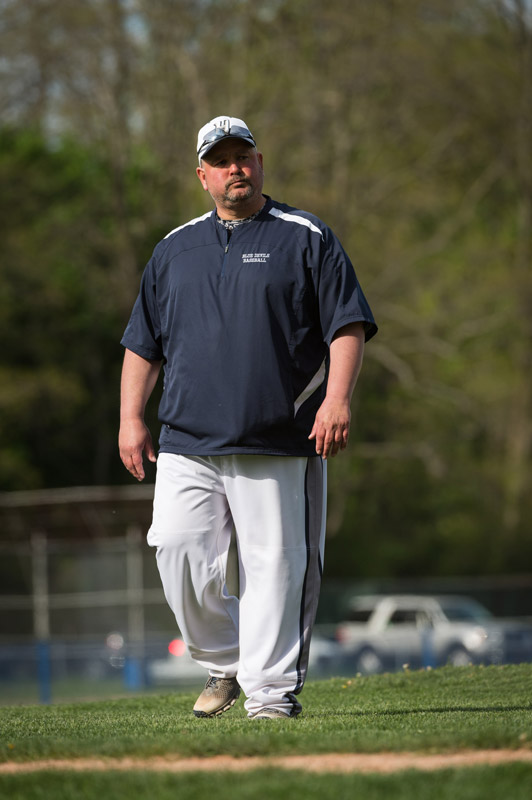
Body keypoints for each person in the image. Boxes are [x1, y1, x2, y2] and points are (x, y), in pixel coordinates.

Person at [119, 115, 377, 720]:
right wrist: (131, 417)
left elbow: (349, 324)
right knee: (177, 551)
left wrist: (337, 399)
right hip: (186, 439)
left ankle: (270, 695)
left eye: (246, 156)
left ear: (260, 164)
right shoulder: (173, 249)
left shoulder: (305, 235)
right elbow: (142, 342)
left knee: (277, 565)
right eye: (223, 159)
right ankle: (227, 661)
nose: (236, 167)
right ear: (203, 174)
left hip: (279, 436)